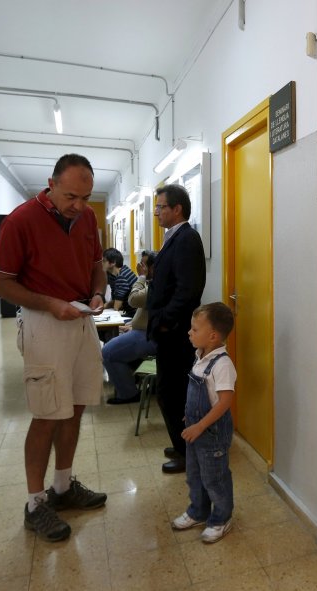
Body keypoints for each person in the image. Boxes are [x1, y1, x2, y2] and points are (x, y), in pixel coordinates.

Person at [0, 153, 109, 542]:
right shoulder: (21, 220)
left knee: (75, 407)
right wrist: (49, 303)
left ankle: (62, 487)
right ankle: (35, 503)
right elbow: (2, 284)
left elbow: (97, 264)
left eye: (86, 197)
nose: (78, 206)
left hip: (80, 319)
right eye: (71, 196)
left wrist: (96, 293)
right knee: (47, 413)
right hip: (44, 321)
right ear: (51, 183)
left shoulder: (87, 218)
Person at [146, 184, 206, 473]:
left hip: (177, 333)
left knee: (173, 393)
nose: (156, 212)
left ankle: (186, 452)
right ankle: (181, 443)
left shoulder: (187, 239)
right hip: (169, 331)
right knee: (172, 392)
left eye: (161, 207)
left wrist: (165, 322)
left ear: (176, 209)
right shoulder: (174, 238)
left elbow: (188, 291)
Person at [171, 302, 237, 543]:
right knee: (195, 474)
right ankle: (198, 511)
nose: (189, 332)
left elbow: (224, 402)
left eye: (194, 329)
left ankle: (221, 517)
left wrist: (200, 425)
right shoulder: (200, 357)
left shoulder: (222, 365)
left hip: (211, 433)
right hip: (196, 430)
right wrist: (192, 416)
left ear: (212, 336)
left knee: (214, 478)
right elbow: (201, 396)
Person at [102, 250, 157, 404]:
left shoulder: (156, 284)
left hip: (148, 335)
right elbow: (144, 311)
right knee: (112, 339)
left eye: (144, 264)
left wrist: (141, 277)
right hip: (140, 329)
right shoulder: (152, 283)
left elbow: (134, 300)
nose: (140, 267)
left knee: (107, 352)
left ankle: (128, 393)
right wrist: (132, 324)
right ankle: (129, 382)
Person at [102, 247, 137, 315]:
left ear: (113, 263)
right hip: (132, 313)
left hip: (133, 315)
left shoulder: (121, 277)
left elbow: (117, 307)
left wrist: (103, 306)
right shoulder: (121, 272)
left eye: (104, 261)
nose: (102, 263)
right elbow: (115, 300)